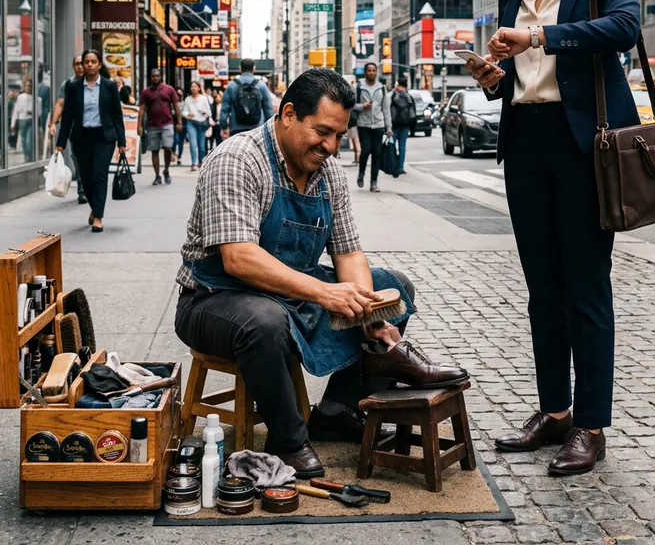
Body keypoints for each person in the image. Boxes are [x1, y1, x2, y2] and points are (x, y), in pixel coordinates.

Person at [175, 68, 467, 478]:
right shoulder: (237, 159)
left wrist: (372, 314)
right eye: (322, 132)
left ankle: (335, 409)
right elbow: (238, 258)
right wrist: (325, 294)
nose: (330, 146)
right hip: (213, 299)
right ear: (289, 113)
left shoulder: (328, 174)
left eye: (339, 134)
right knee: (265, 321)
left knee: (392, 288)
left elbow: (348, 252)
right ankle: (288, 439)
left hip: (293, 294)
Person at [466, 0, 640, 476]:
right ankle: (555, 411)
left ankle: (590, 425)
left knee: (585, 288)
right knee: (542, 289)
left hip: (584, 144)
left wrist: (537, 38)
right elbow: (519, 75)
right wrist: (494, 78)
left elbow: (623, 27)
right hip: (526, 142)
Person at [57, 50, 127, 233]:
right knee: (85, 177)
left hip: (104, 138)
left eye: (93, 61)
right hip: (82, 138)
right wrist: (61, 142)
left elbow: (117, 115)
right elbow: (68, 116)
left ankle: (98, 216)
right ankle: (94, 207)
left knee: (99, 175)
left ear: (99, 65)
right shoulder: (73, 87)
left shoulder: (109, 86)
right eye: (86, 62)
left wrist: (122, 142)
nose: (89, 65)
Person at [50, 56, 86, 203]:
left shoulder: (95, 83)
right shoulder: (68, 84)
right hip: (75, 129)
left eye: (81, 63)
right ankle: (82, 190)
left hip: (95, 129)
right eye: (76, 64)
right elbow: (60, 103)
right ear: (73, 66)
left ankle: (92, 186)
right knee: (78, 159)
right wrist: (53, 123)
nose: (80, 67)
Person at [137, 69, 183, 186]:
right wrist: (139, 126)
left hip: (167, 123)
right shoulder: (146, 92)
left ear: (161, 77)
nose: (155, 78)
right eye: (153, 76)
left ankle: (166, 170)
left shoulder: (169, 89)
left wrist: (179, 122)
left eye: (157, 76)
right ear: (150, 78)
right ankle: (157, 176)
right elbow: (142, 109)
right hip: (152, 125)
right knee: (155, 150)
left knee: (168, 147)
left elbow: (176, 106)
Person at [353, 62, 392, 192]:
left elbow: (386, 108)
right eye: (369, 71)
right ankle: (361, 174)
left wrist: (389, 127)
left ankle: (373, 182)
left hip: (378, 124)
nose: (371, 73)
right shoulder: (358, 87)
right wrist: (362, 106)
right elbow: (352, 105)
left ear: (376, 72)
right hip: (363, 124)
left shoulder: (381, 88)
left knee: (376, 153)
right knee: (365, 151)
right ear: (365, 72)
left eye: (374, 71)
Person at [219, 58, 274, 136]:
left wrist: (223, 125)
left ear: (240, 68)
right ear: (254, 68)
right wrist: (270, 128)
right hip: (257, 127)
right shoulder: (261, 85)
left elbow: (225, 108)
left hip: (236, 127)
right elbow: (268, 108)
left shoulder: (232, 85)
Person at [183, 81, 213, 170]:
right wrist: (188, 114)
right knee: (193, 143)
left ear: (199, 88)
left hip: (202, 123)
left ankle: (201, 161)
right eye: (192, 86)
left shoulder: (203, 98)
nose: (193, 88)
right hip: (191, 122)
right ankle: (194, 163)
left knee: (202, 145)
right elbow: (184, 111)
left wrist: (205, 113)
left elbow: (209, 112)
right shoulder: (187, 99)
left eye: (195, 86)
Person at [390, 78, 414, 176]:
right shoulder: (409, 97)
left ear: (399, 85)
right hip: (405, 125)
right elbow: (413, 113)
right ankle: (401, 167)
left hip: (394, 125)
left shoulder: (394, 96)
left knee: (392, 145)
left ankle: (393, 165)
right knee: (402, 146)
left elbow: (389, 109)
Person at [11, 79, 35, 162]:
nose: (28, 87)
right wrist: (13, 124)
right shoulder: (20, 97)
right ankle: (26, 156)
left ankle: (30, 156)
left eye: (30, 86)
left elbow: (39, 112)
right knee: (23, 140)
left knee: (29, 141)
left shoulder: (36, 97)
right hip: (22, 120)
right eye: (27, 86)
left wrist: (33, 112)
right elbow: (16, 110)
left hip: (31, 120)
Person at [173, 87, 186, 165]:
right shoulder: (173, 103)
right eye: (177, 94)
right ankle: (173, 152)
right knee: (175, 139)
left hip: (184, 123)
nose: (178, 96)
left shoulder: (185, 103)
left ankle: (179, 157)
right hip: (174, 123)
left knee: (181, 141)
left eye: (180, 94)